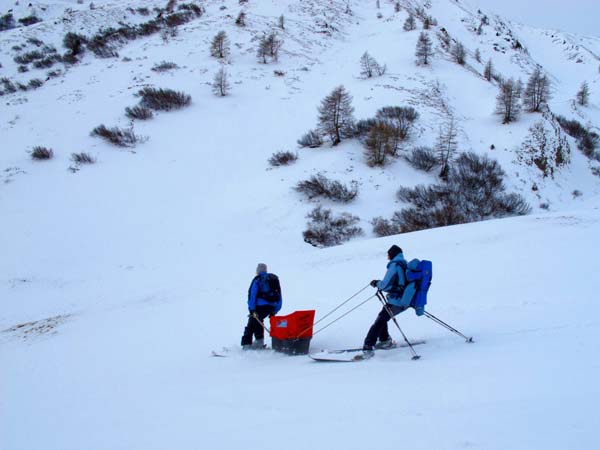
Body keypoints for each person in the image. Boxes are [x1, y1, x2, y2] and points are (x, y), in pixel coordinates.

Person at [363, 245, 413, 354]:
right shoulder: (403, 264)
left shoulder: (395, 265)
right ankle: (385, 340)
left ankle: (368, 346)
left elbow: (385, 285)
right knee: (382, 318)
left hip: (397, 300)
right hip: (403, 298)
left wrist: (376, 283)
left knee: (380, 320)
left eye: (388, 254)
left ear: (392, 254)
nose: (387, 257)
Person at [241, 263, 282, 349]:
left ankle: (248, 344)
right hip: (271, 307)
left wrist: (252, 309)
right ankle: (257, 342)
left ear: (258, 271)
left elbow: (252, 295)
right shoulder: (273, 280)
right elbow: (279, 297)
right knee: (256, 321)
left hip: (260, 307)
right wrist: (274, 311)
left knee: (252, 322)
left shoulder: (258, 279)